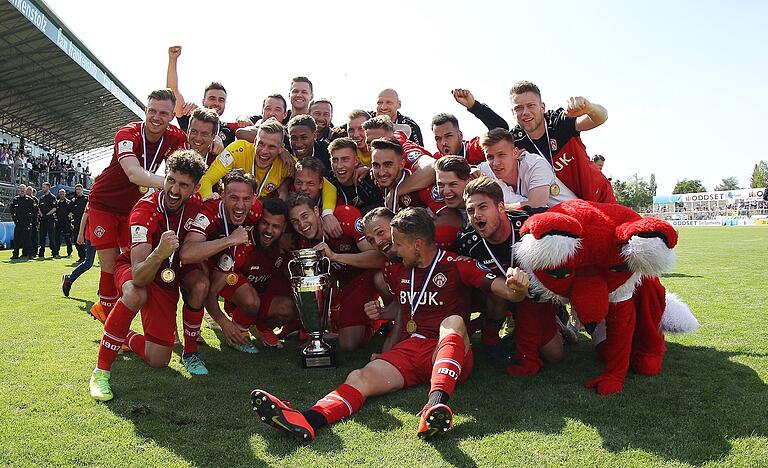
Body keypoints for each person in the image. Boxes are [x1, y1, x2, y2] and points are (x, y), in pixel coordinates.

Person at [251, 207, 531, 440]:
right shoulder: (398, 269)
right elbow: (404, 312)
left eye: (397, 242)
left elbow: (506, 292)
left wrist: (518, 287)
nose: (392, 248)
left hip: (448, 351)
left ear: (417, 245)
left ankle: (435, 406)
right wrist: (386, 341)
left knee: (454, 321)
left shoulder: (458, 264)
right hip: (412, 349)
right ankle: (308, 419)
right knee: (359, 377)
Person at [88, 150, 208, 402]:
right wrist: (159, 253)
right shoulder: (144, 210)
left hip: (167, 276)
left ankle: (122, 334)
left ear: (195, 187)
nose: (174, 190)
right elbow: (139, 273)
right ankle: (101, 372)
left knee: (159, 359)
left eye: (183, 185)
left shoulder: (198, 205)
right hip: (136, 268)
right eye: (171, 180)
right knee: (135, 291)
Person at [86, 89, 188, 323]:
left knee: (135, 265)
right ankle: (110, 322)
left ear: (172, 115)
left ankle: (118, 313)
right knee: (109, 265)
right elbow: (133, 173)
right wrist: (170, 185)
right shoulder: (127, 133)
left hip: (133, 209)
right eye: (152, 110)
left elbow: (183, 169)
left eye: (163, 113)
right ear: (145, 110)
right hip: (105, 203)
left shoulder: (176, 138)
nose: (156, 117)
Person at [458, 176, 563, 370]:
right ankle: (490, 341)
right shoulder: (468, 243)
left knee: (554, 355)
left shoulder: (529, 223)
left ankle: (555, 318)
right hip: (499, 295)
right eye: (470, 210)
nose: (476, 215)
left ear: (500, 208)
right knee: (495, 288)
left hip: (533, 298)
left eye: (483, 207)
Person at [181, 169, 264, 353]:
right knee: (201, 286)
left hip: (225, 259)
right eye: (234, 198)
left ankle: (237, 335)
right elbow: (186, 254)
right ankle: (190, 351)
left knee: (251, 302)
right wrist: (230, 240)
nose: (240, 205)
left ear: (254, 198)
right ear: (223, 195)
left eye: (246, 199)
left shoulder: (256, 212)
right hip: (194, 263)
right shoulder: (208, 212)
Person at [288, 193, 380, 351]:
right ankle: (322, 332)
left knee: (349, 344)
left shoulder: (344, 216)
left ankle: (380, 322)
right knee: (346, 344)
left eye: (305, 216)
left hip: (367, 276)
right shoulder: (304, 242)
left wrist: (335, 256)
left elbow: (378, 258)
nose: (302, 225)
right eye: (295, 221)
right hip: (346, 285)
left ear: (317, 211)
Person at [204, 198, 295, 348]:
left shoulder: (285, 245)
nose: (269, 231)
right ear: (258, 221)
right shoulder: (241, 243)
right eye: (265, 223)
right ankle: (238, 330)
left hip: (260, 297)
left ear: (284, 228)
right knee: (250, 301)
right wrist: (223, 323)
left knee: (289, 308)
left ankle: (260, 326)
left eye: (276, 226)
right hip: (238, 295)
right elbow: (211, 292)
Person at [509, 81, 614, 203]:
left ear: (542, 107)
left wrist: (589, 108)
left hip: (600, 199)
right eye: (518, 108)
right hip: (567, 211)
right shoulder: (515, 141)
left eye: (531, 105)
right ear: (513, 112)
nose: (525, 112)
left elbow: (601, 117)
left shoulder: (558, 122)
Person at [370, 137, 462, 248]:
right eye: (376, 165)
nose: (381, 172)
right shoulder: (378, 181)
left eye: (388, 165)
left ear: (401, 164)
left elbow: (454, 220)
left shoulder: (420, 186)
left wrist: (408, 233)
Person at [478, 128, 577, 209]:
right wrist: (473, 170)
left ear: (515, 153)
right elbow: (467, 169)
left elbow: (536, 206)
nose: (495, 163)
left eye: (501, 155)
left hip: (576, 215)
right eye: (490, 157)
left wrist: (499, 208)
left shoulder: (535, 165)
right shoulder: (486, 167)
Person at [166, 45, 236, 147]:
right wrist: (173, 59)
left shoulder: (229, 131)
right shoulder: (190, 117)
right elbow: (172, 91)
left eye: (221, 100)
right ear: (203, 101)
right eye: (212, 98)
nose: (216, 103)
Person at [432, 89, 509, 165]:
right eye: (438, 139)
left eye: (448, 136)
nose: (443, 143)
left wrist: (474, 106)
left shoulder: (473, 149)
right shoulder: (435, 160)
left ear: (460, 135)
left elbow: (501, 131)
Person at [327, 137, 384, 214]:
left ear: (356, 160)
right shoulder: (328, 183)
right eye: (335, 160)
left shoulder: (370, 180)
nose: (339, 166)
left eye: (345, 159)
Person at [61, 209, 97, 297]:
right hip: (92, 235)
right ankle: (69, 279)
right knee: (88, 263)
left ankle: (105, 290)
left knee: (109, 264)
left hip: (106, 234)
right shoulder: (93, 198)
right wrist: (80, 234)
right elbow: (85, 217)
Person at [9, 184, 36, 259]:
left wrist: (30, 217)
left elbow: (35, 209)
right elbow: (11, 208)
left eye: (23, 189)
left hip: (26, 222)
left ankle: (30, 254)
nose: (22, 190)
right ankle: (15, 255)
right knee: (16, 239)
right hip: (18, 222)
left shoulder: (30, 199)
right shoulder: (15, 199)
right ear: (19, 190)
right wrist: (14, 217)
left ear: (25, 190)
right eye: (20, 189)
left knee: (27, 239)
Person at [69, 184, 88, 262]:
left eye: (79, 189)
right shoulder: (74, 200)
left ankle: (85, 257)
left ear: (82, 190)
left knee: (84, 239)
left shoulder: (86, 199)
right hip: (76, 222)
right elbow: (69, 208)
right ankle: (81, 257)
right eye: (77, 189)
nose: (78, 191)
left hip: (85, 221)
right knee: (76, 239)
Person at [37, 181, 56, 258]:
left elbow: (54, 208)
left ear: (48, 187)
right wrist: (42, 215)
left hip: (50, 219)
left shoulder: (53, 197)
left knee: (51, 236)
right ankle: (41, 253)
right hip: (43, 220)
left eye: (44, 187)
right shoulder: (41, 198)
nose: (43, 188)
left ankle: (54, 252)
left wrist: (47, 214)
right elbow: (39, 208)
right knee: (42, 236)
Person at [52, 188, 73, 257]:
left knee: (67, 238)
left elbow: (72, 211)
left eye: (63, 194)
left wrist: (69, 217)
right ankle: (56, 253)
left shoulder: (69, 202)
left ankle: (69, 253)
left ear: (65, 194)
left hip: (66, 222)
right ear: (58, 194)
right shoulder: (56, 203)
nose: (62, 195)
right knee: (57, 238)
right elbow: (54, 211)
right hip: (58, 222)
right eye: (60, 194)